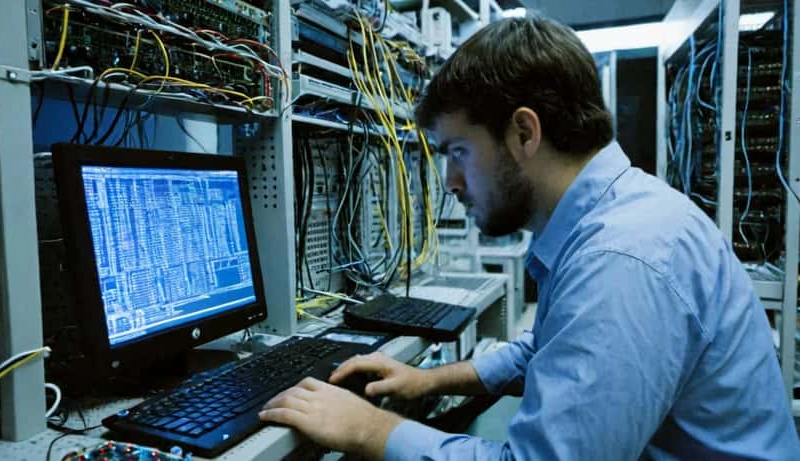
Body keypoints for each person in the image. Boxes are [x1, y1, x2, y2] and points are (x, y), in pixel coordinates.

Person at [259, 14, 799, 460]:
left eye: (458, 153)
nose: (449, 183)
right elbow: (550, 350)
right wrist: (432, 380)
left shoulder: (622, 258)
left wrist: (366, 430)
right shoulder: (613, 221)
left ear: (524, 133)